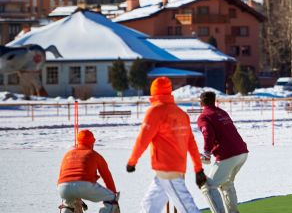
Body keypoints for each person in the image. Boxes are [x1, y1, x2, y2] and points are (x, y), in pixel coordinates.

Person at [127, 77, 207, 212]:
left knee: (188, 208)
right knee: (149, 206)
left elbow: (143, 140)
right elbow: (191, 143)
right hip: (169, 171)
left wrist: (132, 161)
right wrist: (198, 169)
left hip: (168, 170)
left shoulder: (155, 112)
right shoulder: (181, 114)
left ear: (154, 92)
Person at [197, 91, 249, 213]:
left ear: (201, 102)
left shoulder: (204, 116)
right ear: (214, 100)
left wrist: (206, 153)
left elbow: (208, 134)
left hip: (228, 154)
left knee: (208, 186)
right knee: (226, 183)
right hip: (242, 152)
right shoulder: (222, 112)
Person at [57, 130, 119, 213]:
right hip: (84, 185)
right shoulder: (94, 154)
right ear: (92, 143)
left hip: (63, 188)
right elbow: (107, 177)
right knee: (111, 198)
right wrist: (113, 194)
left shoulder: (67, 154)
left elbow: (61, 176)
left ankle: (66, 209)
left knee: (68, 203)